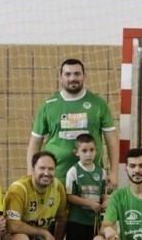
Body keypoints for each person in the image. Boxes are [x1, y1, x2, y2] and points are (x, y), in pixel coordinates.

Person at [27, 58, 118, 189]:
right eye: (67, 74)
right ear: (60, 77)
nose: (72, 78)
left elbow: (112, 140)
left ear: (84, 76)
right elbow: (35, 142)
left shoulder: (98, 104)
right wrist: (31, 173)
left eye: (77, 74)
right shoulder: (48, 106)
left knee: (91, 209)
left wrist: (114, 172)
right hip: (56, 178)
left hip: (91, 178)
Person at [64, 134, 107, 240]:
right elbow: (69, 196)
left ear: (96, 151)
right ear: (77, 152)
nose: (88, 154)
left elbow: (103, 193)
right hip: (77, 220)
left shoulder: (101, 172)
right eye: (84, 150)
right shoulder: (73, 172)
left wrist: (105, 202)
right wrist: (89, 203)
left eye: (91, 150)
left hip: (93, 221)